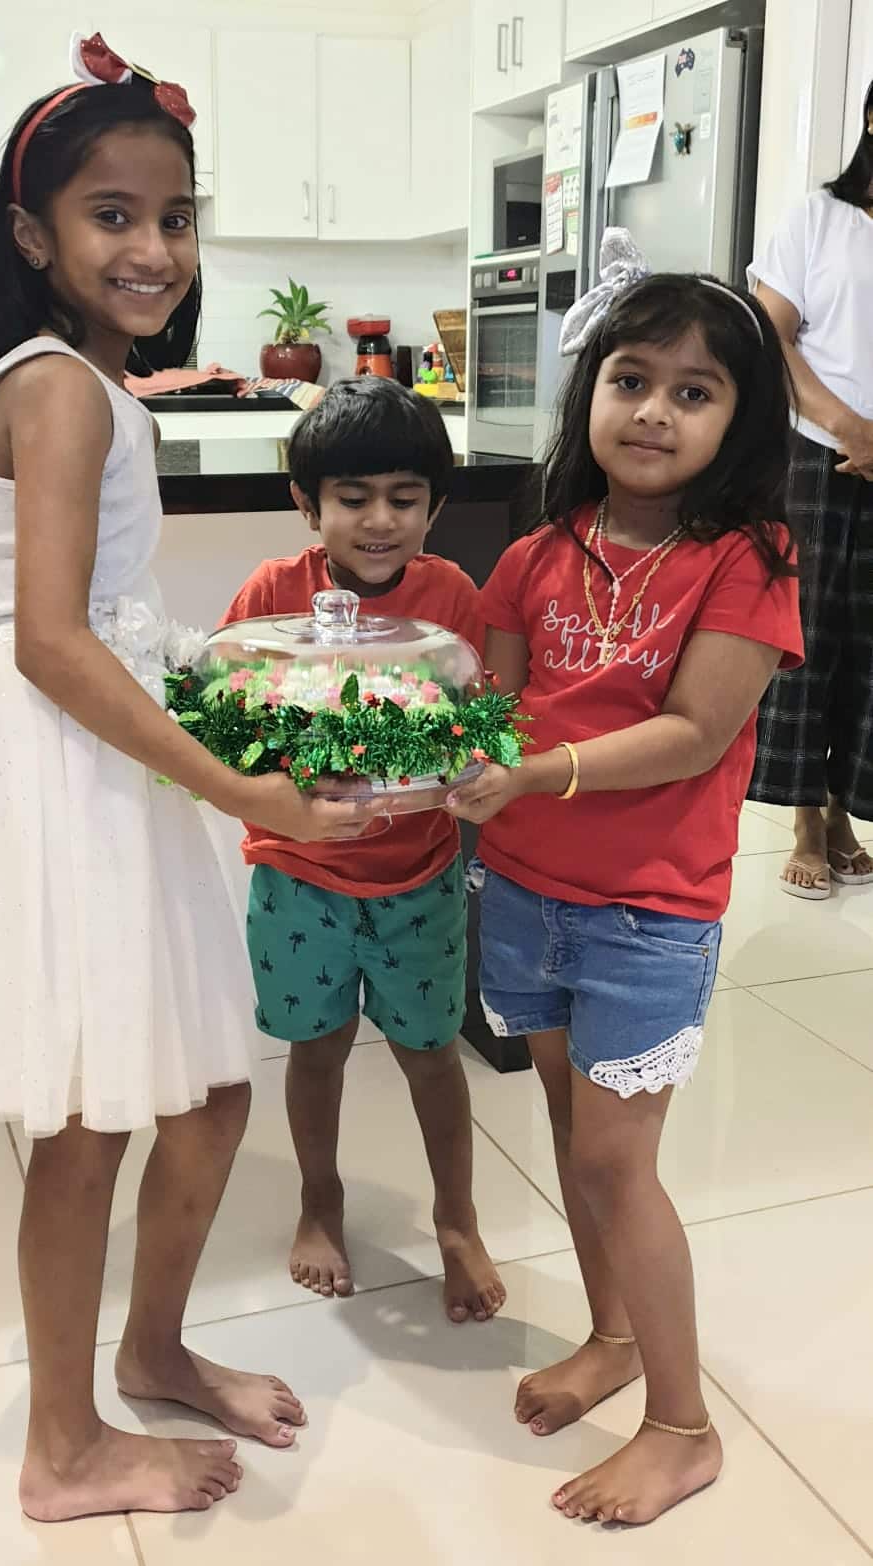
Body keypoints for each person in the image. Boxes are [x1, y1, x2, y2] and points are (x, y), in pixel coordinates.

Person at [0, 34, 379, 1525]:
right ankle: (62, 1442)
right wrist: (243, 788)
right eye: (112, 215)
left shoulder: (87, 379)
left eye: (175, 215)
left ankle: (150, 1350)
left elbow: (116, 615)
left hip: (112, 755)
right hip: (69, 768)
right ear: (34, 235)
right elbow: (48, 641)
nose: (154, 248)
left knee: (209, 1087)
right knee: (90, 1118)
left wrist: (235, 682)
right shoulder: (66, 391)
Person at [445, 235, 803, 1525]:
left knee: (614, 1165)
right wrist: (390, 735)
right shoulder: (539, 551)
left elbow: (695, 734)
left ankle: (680, 1422)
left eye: (692, 391)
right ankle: (608, 1337)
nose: (651, 410)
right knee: (569, 1135)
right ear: (586, 391)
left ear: (738, 420)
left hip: (647, 912)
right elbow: (485, 706)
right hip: (526, 896)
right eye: (629, 379)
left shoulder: (745, 558)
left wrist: (526, 775)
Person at [218, 377, 507, 1324]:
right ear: (308, 504)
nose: (379, 521)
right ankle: (320, 1200)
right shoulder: (270, 594)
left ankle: (457, 1221)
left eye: (405, 498)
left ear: (435, 505)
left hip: (417, 875)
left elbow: (476, 723)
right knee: (318, 1049)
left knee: (431, 1055)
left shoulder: (450, 596)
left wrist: (472, 768)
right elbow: (231, 723)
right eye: (352, 498)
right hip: (298, 877)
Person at [747, 80, 873, 898]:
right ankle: (801, 815)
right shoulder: (818, 219)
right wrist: (849, 425)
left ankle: (843, 810)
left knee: (870, 648)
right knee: (806, 639)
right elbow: (769, 334)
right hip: (815, 453)